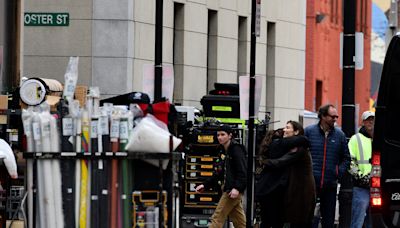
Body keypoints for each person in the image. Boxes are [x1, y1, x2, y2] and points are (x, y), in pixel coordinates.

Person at [256, 121, 315, 228]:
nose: (284, 130)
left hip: (301, 190)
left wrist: (265, 162)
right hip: (295, 188)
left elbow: (282, 161)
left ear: (296, 132)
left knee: (298, 221)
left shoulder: (299, 148)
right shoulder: (294, 145)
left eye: (288, 128)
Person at [304, 104, 351, 228]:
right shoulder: (309, 131)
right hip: (311, 184)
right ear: (323, 116)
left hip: (330, 185)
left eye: (337, 116)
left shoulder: (340, 135)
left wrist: (338, 172)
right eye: (333, 116)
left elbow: (346, 158)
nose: (335, 119)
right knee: (308, 219)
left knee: (328, 221)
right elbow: (301, 154)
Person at [195, 124, 247, 228]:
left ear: (230, 135)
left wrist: (237, 188)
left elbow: (242, 171)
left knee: (217, 217)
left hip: (231, 190)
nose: (219, 137)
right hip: (229, 189)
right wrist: (205, 185)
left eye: (223, 134)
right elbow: (218, 173)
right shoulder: (224, 151)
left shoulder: (236, 149)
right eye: (218, 135)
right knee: (240, 222)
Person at [348, 111, 374, 228]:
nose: (371, 122)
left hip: (376, 187)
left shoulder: (379, 140)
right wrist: (359, 176)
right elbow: (350, 162)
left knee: (373, 221)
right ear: (363, 122)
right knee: (357, 222)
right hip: (361, 187)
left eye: (373, 119)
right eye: (368, 119)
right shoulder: (355, 139)